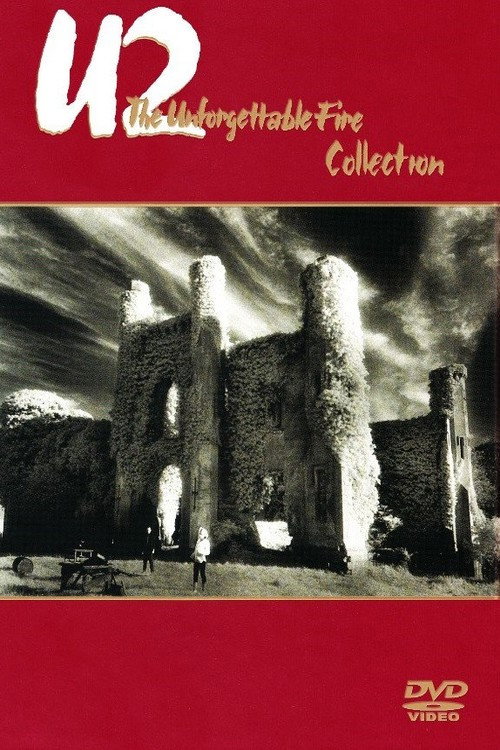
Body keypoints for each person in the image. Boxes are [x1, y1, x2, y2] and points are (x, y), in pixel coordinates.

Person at [192, 527, 210, 592]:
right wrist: (194, 554)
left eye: (201, 534)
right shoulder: (198, 541)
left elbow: (208, 552)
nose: (200, 535)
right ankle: (195, 589)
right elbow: (196, 549)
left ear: (205, 535)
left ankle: (203, 588)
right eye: (199, 534)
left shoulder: (206, 542)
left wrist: (201, 553)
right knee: (195, 573)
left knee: (202, 573)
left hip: (202, 560)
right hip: (196, 559)